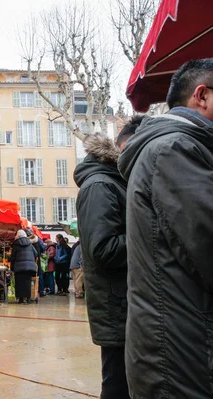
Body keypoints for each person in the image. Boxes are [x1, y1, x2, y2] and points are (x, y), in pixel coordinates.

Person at [118, 59, 213, 399]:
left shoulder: (179, 148)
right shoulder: (174, 150)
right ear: (202, 96)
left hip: (176, 342)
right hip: (182, 348)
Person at [75, 123, 139, 399]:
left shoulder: (113, 181)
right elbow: (103, 249)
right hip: (117, 305)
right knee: (117, 384)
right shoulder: (100, 185)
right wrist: (148, 236)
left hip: (125, 302)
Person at [9, 230, 38, 304]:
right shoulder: (30, 244)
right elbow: (36, 253)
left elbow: (13, 257)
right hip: (30, 267)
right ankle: (28, 299)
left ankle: (21, 299)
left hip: (19, 267)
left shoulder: (16, 244)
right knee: (28, 282)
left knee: (19, 282)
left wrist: (11, 264)